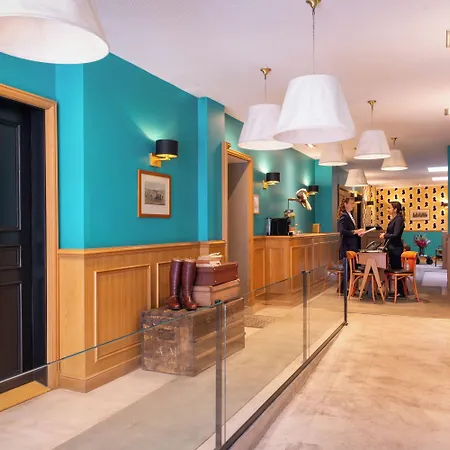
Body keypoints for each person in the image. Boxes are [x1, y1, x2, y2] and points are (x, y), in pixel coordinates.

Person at [338, 197, 364, 292]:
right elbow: (342, 231)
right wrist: (355, 231)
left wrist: (357, 233)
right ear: (345, 204)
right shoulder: (344, 216)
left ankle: (348, 288)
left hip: (352, 245)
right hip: (347, 246)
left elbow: (351, 231)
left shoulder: (350, 215)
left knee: (351, 268)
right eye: (351, 203)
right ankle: (342, 289)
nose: (353, 205)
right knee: (348, 269)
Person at [380, 201, 405, 296]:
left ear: (395, 209)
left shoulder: (398, 219)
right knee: (394, 267)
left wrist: (385, 235)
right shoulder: (395, 219)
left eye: (389, 208)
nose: (388, 209)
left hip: (396, 248)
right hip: (392, 247)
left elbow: (396, 234)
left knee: (397, 268)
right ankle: (400, 290)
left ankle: (401, 291)